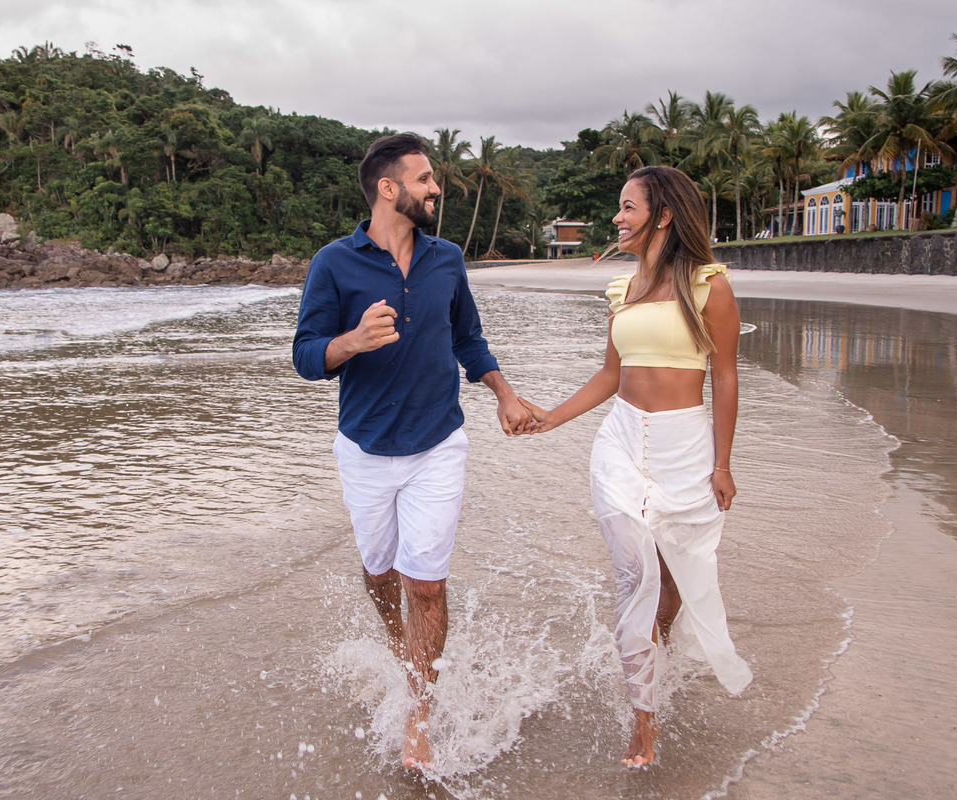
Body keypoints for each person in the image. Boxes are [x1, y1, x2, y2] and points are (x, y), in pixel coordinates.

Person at [292, 132, 532, 770]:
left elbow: (468, 339)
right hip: (365, 448)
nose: (436, 188)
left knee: (425, 583)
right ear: (388, 187)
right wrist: (352, 341)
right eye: (425, 179)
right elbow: (305, 356)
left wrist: (504, 394)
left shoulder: (446, 258)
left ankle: (419, 709)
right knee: (380, 574)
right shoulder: (333, 263)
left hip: (437, 443)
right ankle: (404, 651)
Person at [520, 165, 752, 767]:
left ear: (664, 215)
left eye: (629, 207)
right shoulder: (621, 290)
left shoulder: (709, 286)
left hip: (685, 447)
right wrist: (552, 417)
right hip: (620, 442)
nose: (617, 217)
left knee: (671, 580)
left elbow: (726, 378)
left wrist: (722, 464)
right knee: (635, 575)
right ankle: (643, 720)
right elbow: (610, 374)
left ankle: (656, 649)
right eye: (619, 207)